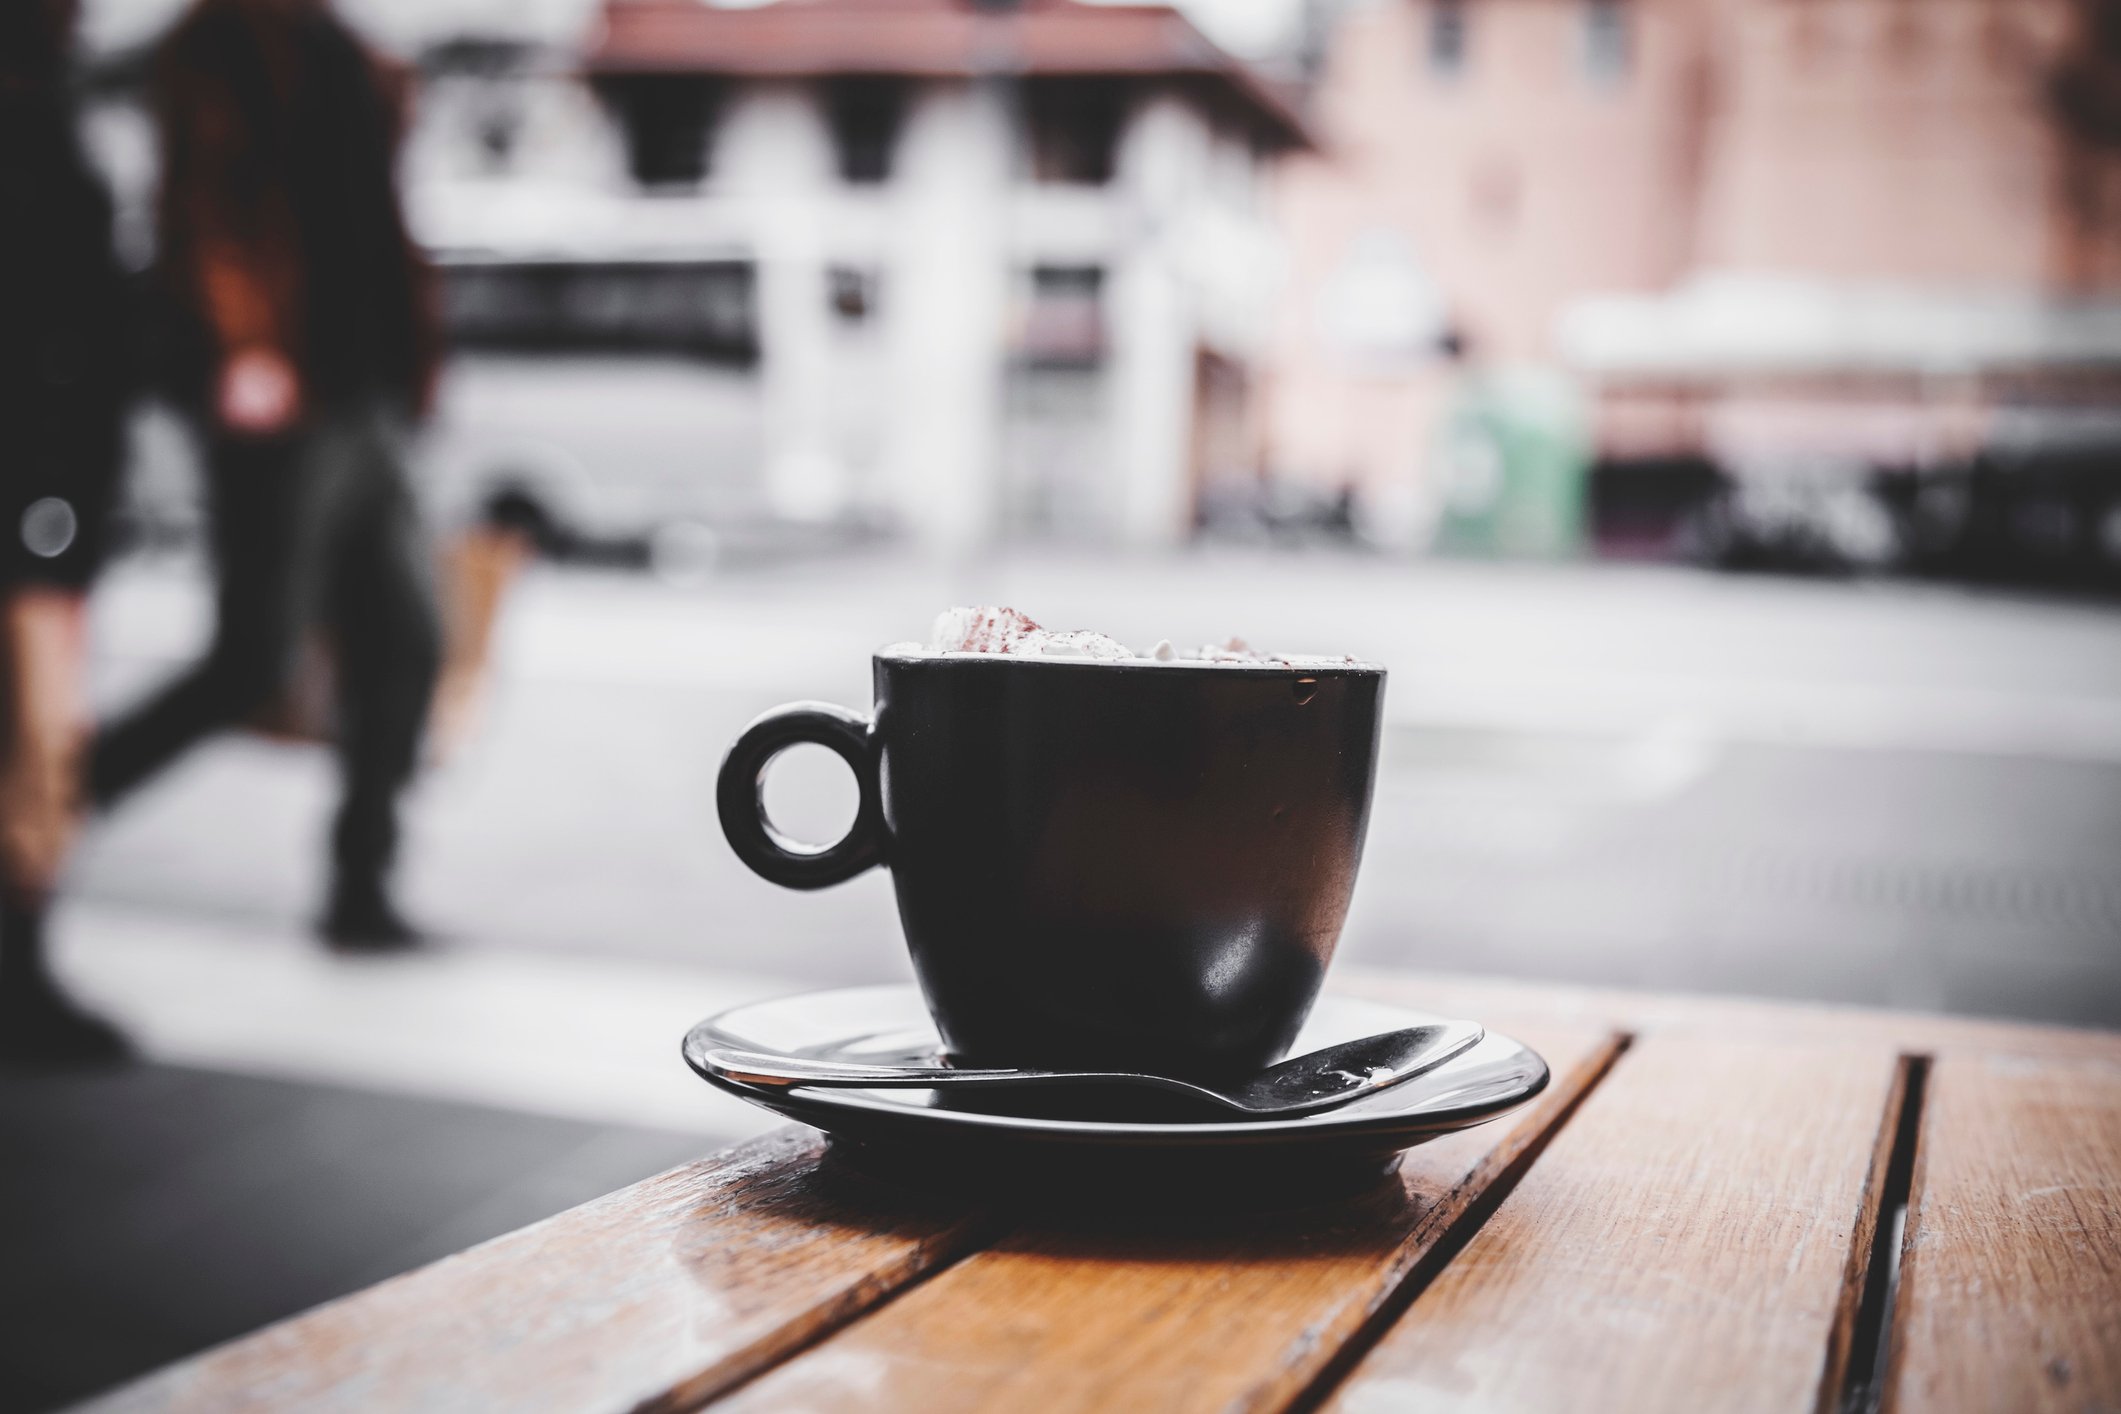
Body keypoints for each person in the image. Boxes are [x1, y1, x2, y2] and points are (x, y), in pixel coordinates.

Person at [88, 0, 444, 948]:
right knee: (252, 660)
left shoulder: (352, 51)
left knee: (405, 641)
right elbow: (199, 205)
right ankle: (43, 809)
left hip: (366, 398)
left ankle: (359, 885)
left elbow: (385, 222)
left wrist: (415, 374)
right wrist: (240, 347)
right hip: (281, 401)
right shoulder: (215, 41)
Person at [0, 0, 138, 1063]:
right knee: (34, 744)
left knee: (34, 741)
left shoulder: (50, 101)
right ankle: (20, 974)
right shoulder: (35, 109)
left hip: (45, 482)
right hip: (32, 487)